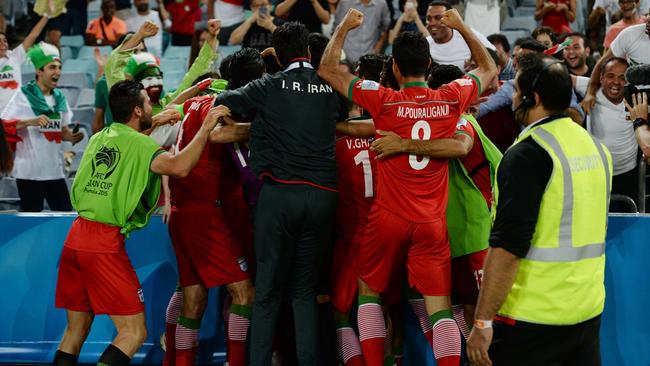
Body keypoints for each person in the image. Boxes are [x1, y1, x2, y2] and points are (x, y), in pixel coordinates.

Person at [319, 7, 497, 366]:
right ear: (429, 65)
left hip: (387, 219)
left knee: (369, 294)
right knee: (439, 308)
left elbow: (327, 70)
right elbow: (490, 69)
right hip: (432, 222)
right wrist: (461, 26)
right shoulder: (450, 98)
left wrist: (343, 28)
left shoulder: (383, 100)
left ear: (395, 69)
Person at [51, 79, 230, 366]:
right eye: (148, 102)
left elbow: (133, 134)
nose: (153, 105)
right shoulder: (143, 147)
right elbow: (180, 166)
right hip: (103, 245)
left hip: (74, 238)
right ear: (137, 110)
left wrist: (159, 116)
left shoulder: (102, 135)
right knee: (133, 332)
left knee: (76, 330)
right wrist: (206, 127)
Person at [466, 53, 612, 366]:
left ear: (533, 98)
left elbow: (507, 247)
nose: (512, 98)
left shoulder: (528, 154)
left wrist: (482, 322)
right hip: (586, 312)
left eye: (516, 92)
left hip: (532, 318)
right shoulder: (597, 149)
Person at [215, 21, 348, 365]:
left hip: (279, 197)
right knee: (304, 292)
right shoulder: (329, 86)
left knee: (269, 294)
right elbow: (344, 113)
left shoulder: (268, 84)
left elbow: (227, 99)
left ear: (277, 53)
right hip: (322, 196)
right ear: (307, 51)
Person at [162, 48, 263, 366]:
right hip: (207, 212)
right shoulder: (226, 105)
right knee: (245, 293)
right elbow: (224, 135)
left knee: (193, 295)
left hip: (182, 211)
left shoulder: (194, 102)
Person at [0, 43, 83, 212]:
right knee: (32, 222)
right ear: (39, 71)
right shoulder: (23, 95)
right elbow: (3, 126)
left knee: (65, 217)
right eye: (52, 67)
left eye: (59, 67)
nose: (58, 72)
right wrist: (30, 122)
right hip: (29, 174)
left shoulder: (60, 98)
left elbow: (63, 132)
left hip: (55, 172)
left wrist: (72, 137)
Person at [574, 57, 638, 211]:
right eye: (610, 76)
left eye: (622, 77)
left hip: (628, 174)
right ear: (601, 78)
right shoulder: (590, 88)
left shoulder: (637, 97)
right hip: (595, 173)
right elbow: (557, 76)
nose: (616, 82)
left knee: (627, 226)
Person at [581, 16, 650, 113]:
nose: (649, 19)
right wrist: (590, 92)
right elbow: (603, 62)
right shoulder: (630, 34)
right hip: (634, 102)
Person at [0, 7, 51, 107]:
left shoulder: (14, 56)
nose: (3, 44)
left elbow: (33, 35)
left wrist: (47, 16)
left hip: (16, 113)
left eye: (5, 41)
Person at [425, 1, 495, 70]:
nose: (432, 23)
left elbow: (494, 54)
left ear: (449, 19)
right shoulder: (425, 43)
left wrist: (476, 62)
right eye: (428, 18)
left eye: (438, 17)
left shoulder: (466, 34)